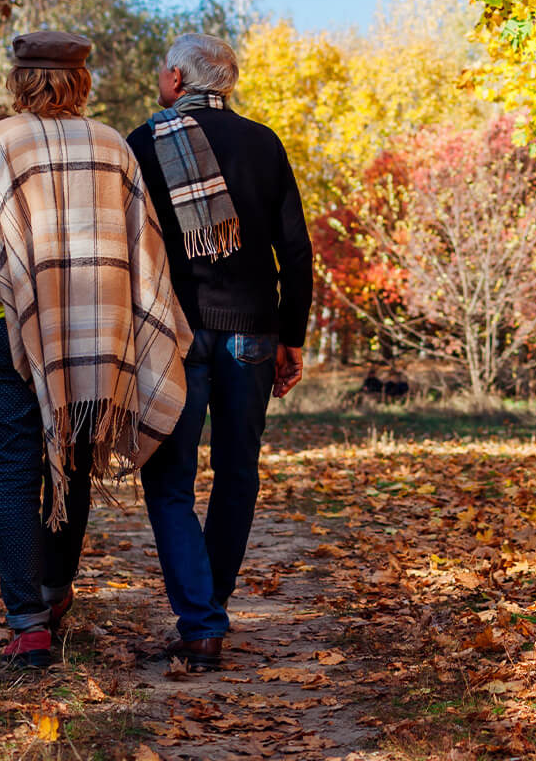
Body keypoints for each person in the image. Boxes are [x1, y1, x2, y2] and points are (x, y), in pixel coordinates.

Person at [0, 30, 191, 668]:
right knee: (73, 460)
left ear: (21, 79)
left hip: (3, 327)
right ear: (81, 82)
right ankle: (53, 595)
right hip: (94, 333)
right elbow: (143, 252)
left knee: (17, 471)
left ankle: (28, 625)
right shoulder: (111, 146)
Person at [127, 33, 312, 671]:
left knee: (169, 477)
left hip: (174, 333)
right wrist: (292, 335)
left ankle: (201, 622)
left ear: (177, 78)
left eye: (161, 67)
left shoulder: (145, 142)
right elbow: (296, 251)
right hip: (252, 331)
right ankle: (213, 605)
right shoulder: (264, 143)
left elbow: (127, 248)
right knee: (237, 472)